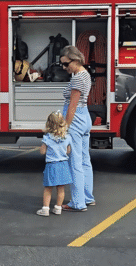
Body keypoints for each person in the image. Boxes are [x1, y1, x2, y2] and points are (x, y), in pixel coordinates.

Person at [58, 45, 95, 212]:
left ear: (76, 60)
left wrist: (64, 128)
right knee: (85, 160)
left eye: (66, 64)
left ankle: (78, 202)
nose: (65, 68)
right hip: (84, 117)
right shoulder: (85, 74)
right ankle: (87, 197)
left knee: (75, 163)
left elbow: (72, 106)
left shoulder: (77, 78)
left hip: (76, 119)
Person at [36, 111, 72, 217]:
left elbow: (42, 151)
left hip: (52, 165)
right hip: (63, 165)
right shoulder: (67, 137)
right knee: (61, 189)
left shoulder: (47, 138)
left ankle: (45, 209)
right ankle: (58, 208)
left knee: (48, 188)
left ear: (49, 124)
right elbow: (68, 151)